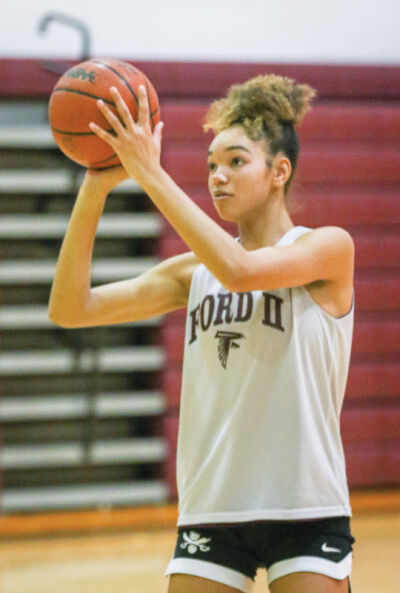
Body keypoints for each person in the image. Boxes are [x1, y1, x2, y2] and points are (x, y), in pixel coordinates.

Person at [49, 74, 356, 593]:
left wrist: (150, 174)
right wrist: (96, 185)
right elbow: (70, 308)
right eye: (211, 164)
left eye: (236, 161)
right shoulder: (192, 273)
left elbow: (241, 270)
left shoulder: (327, 249)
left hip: (304, 503)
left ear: (280, 171)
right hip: (214, 505)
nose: (218, 176)